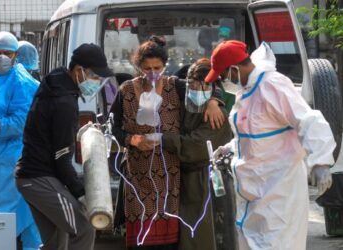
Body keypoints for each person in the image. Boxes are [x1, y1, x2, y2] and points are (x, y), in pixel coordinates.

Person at [205, 40, 335, 250]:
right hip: (254, 193)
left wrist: (321, 162)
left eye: (223, 75)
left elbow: (308, 120)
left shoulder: (272, 85)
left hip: (279, 191)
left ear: (234, 69)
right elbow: (257, 135)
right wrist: (230, 148)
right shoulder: (246, 93)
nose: (223, 81)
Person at [110, 36, 224, 249]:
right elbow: (114, 128)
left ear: (164, 66)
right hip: (138, 180)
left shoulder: (175, 87)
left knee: (169, 242)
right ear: (138, 67)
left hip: (170, 181)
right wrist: (132, 140)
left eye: (157, 67)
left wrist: (214, 101)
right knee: (141, 241)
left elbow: (205, 82)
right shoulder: (125, 91)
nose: (152, 73)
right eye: (147, 68)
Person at [15, 43, 113, 250]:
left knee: (57, 242)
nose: (97, 82)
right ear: (79, 71)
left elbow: (54, 134)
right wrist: (83, 195)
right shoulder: (64, 102)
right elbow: (61, 160)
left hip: (30, 177)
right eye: (95, 76)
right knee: (84, 226)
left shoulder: (56, 83)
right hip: (39, 177)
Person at [161, 58, 236, 250]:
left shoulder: (216, 115)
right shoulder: (187, 103)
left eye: (203, 85)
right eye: (192, 84)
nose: (196, 89)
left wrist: (161, 139)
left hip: (205, 181)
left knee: (201, 236)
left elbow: (197, 147)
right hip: (185, 181)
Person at [0, 31, 41, 250]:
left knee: (5, 214)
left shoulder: (21, 82)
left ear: (15, 55)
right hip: (0, 157)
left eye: (7, 53)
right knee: (23, 212)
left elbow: (20, 123)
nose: (1, 57)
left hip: (12, 157)